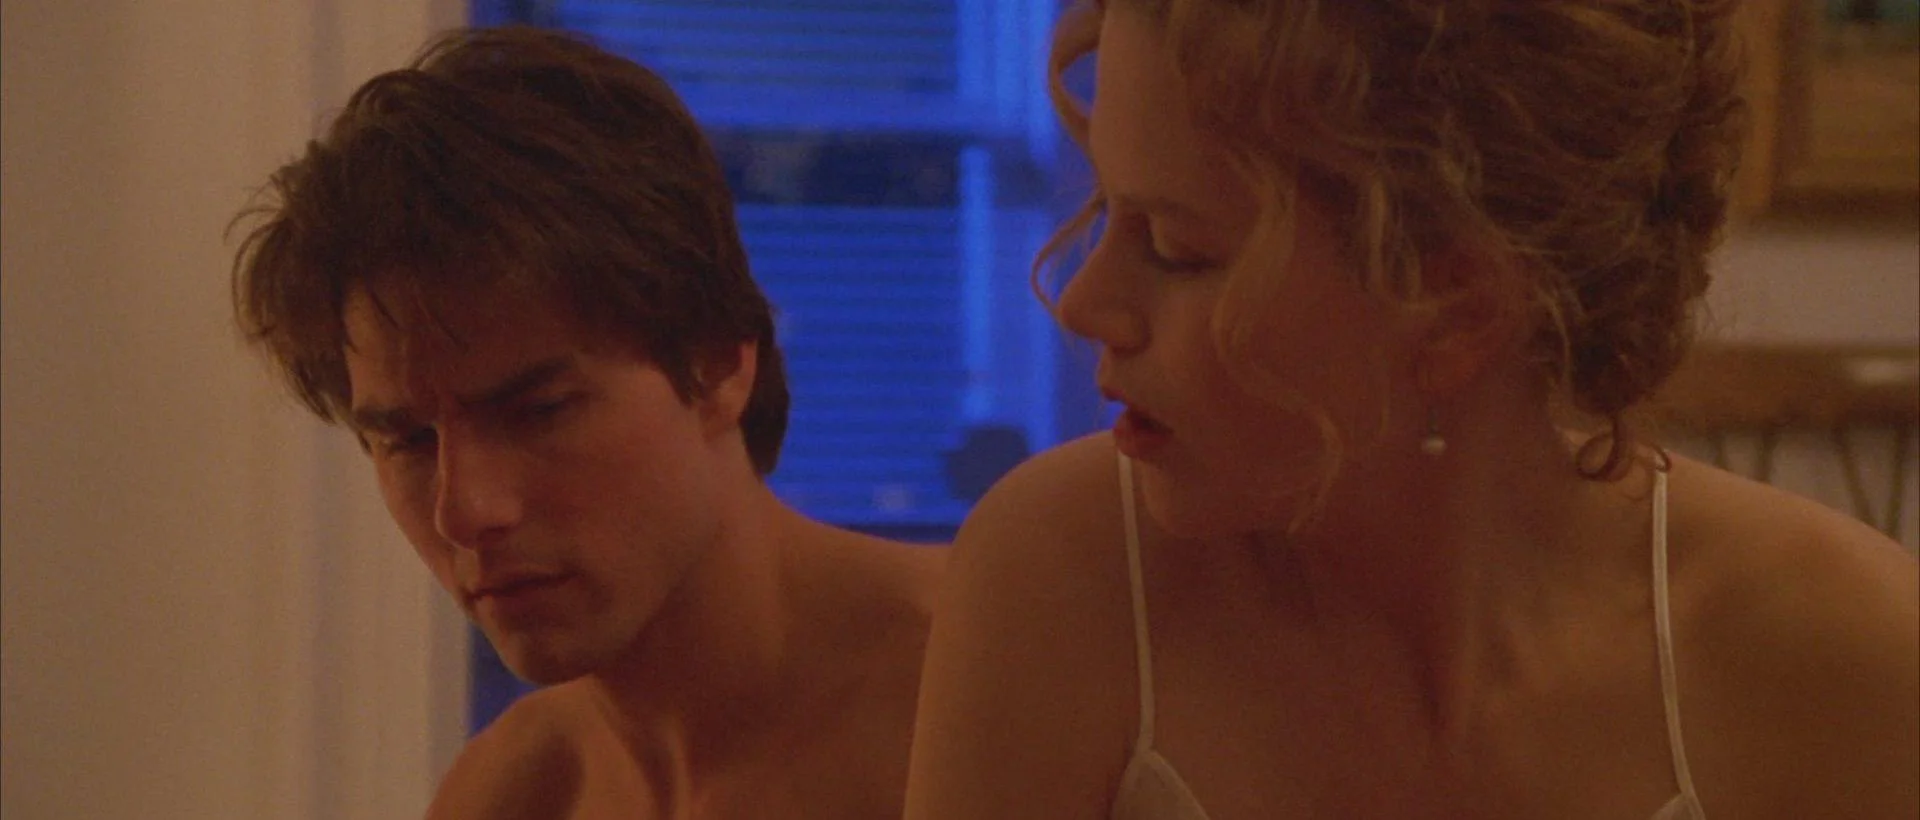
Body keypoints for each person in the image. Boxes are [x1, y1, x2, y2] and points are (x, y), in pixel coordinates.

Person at [905, 1, 1919, 818]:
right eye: (1104, 210)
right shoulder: (1064, 578)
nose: (1083, 303)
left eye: (1177, 247)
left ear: (1456, 307)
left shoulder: (1843, 652)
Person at [230, 26, 944, 819]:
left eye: (540, 412)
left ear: (718, 365)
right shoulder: (514, 791)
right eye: (409, 441)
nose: (466, 512)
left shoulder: (987, 674)